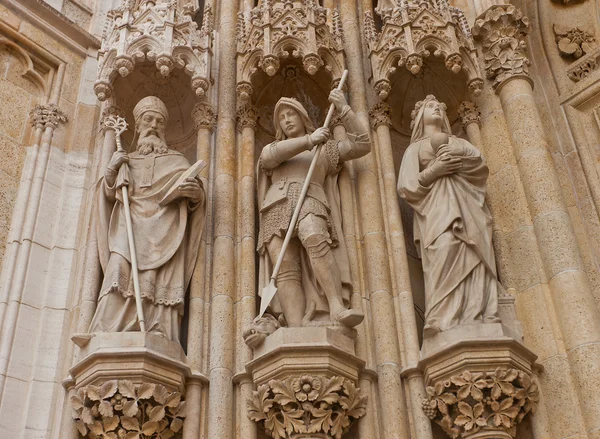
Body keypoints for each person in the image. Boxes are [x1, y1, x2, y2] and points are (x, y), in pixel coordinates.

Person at [89, 96, 205, 343]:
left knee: (156, 280)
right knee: (118, 268)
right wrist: (111, 170)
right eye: (148, 120)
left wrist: (194, 194)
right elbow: (108, 195)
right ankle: (105, 330)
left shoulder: (177, 161)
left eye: (159, 122)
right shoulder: (125, 160)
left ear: (164, 129)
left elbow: (196, 198)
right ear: (138, 125)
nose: (153, 125)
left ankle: (158, 333)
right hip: (127, 227)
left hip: (165, 231)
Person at [257, 90, 370, 328]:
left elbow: (362, 144)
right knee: (285, 267)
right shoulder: (277, 148)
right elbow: (269, 157)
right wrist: (309, 140)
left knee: (316, 239)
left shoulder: (325, 149)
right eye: (282, 118)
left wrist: (344, 109)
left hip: (310, 198)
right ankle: (296, 326)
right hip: (276, 205)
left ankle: (336, 306)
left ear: (302, 117)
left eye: (291, 115)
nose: (287, 120)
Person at [397, 95, 501, 338]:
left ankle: (478, 313)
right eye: (429, 107)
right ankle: (441, 317)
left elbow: (479, 166)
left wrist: (457, 163)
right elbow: (407, 185)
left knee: (471, 251)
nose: (435, 108)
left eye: (438, 106)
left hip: (467, 207)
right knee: (445, 247)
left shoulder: (459, 143)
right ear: (419, 118)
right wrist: (435, 170)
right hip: (436, 210)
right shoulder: (415, 149)